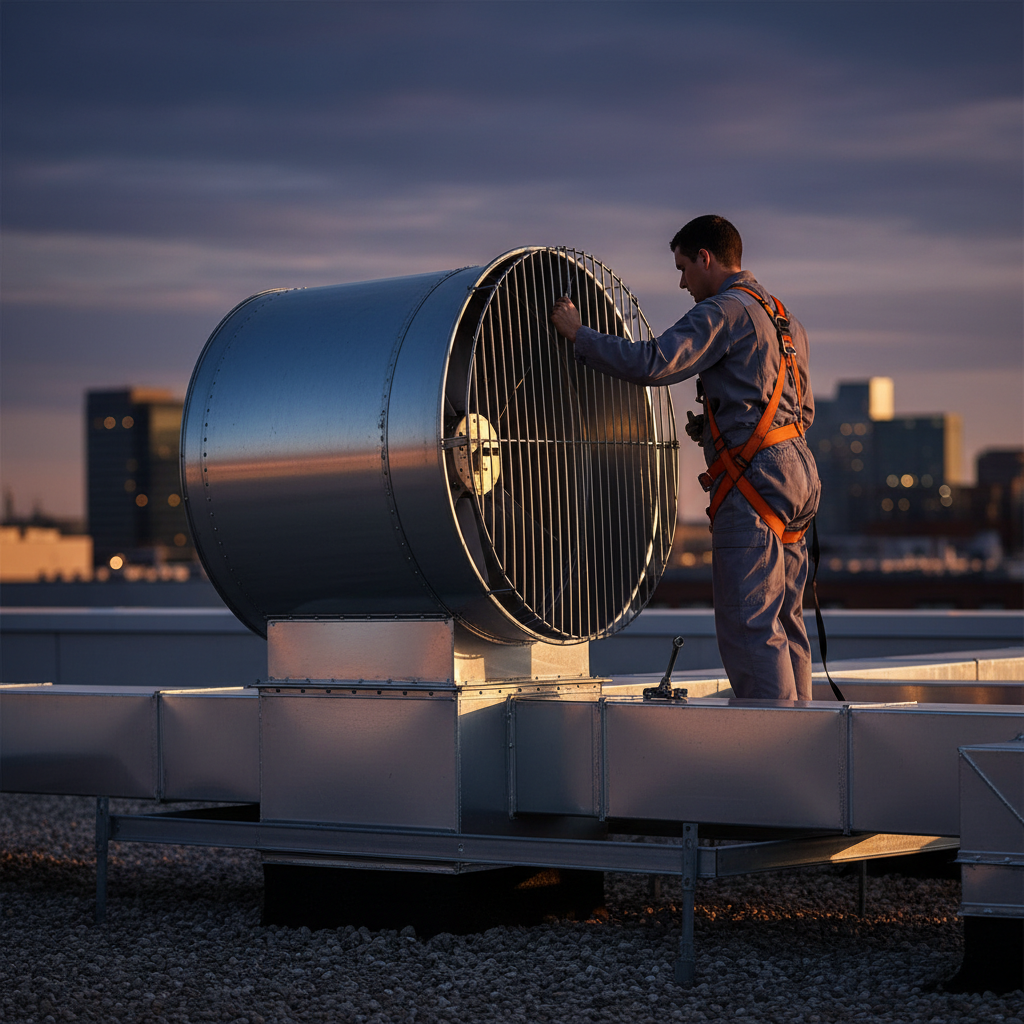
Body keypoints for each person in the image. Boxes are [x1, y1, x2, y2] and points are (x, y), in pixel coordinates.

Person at [550, 215, 820, 700]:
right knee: (786, 618)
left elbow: (653, 362)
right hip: (797, 475)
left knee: (749, 623)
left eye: (682, 268)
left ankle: (775, 751)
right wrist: (724, 426)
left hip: (755, 481)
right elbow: (801, 411)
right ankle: (812, 737)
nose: (681, 282)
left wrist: (579, 335)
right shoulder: (785, 319)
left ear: (706, 258)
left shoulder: (724, 311)